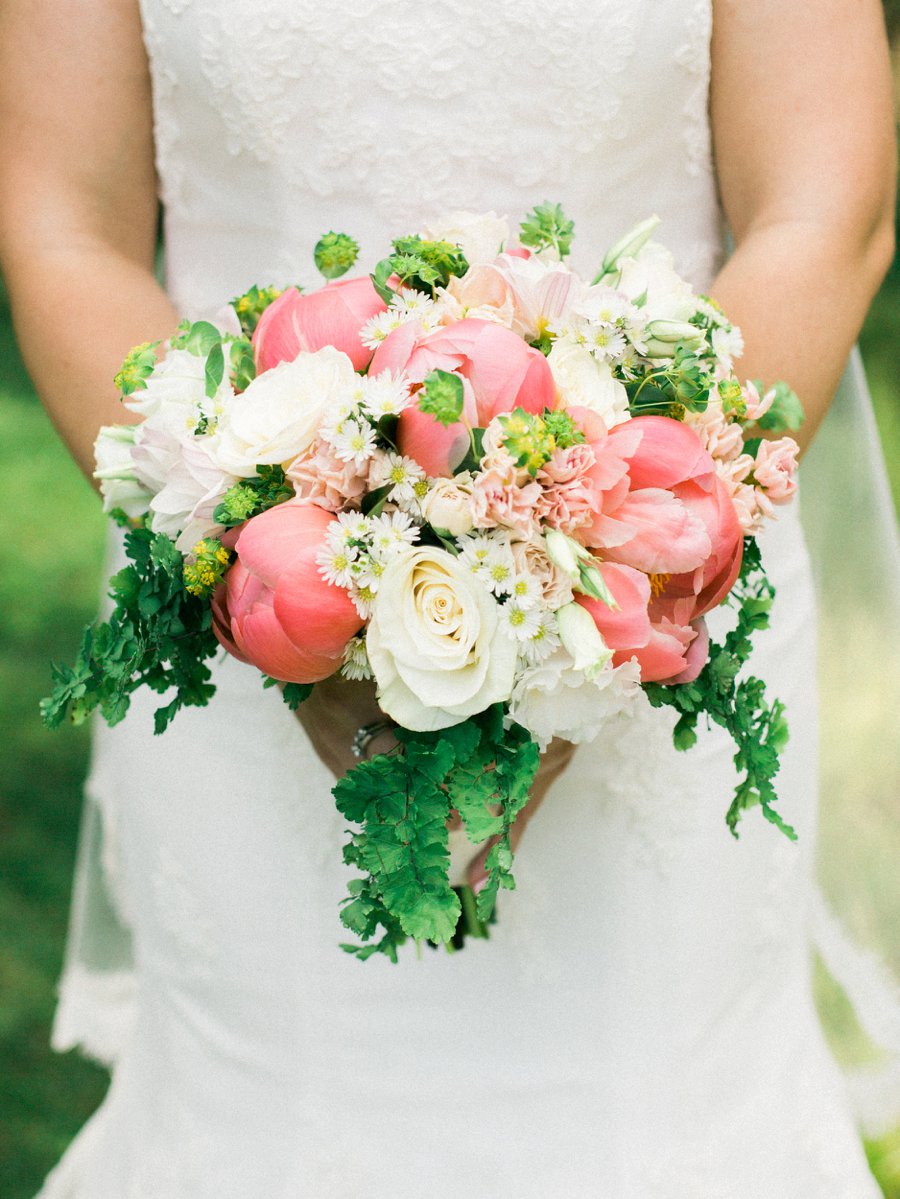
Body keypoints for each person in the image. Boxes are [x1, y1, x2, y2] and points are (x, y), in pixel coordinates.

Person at [0, 1, 896, 1195]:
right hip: (242, 609)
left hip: (658, 605)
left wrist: (608, 607)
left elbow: (823, 212)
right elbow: (64, 227)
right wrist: (263, 584)